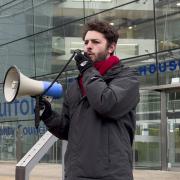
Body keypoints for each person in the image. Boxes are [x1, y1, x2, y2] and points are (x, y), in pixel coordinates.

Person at [38, 20, 140, 180]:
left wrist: (88, 71)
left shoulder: (127, 77)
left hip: (111, 174)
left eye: (95, 42)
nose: (88, 46)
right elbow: (67, 130)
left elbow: (107, 104)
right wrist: (48, 115)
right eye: (86, 42)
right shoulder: (76, 86)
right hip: (76, 174)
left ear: (111, 47)